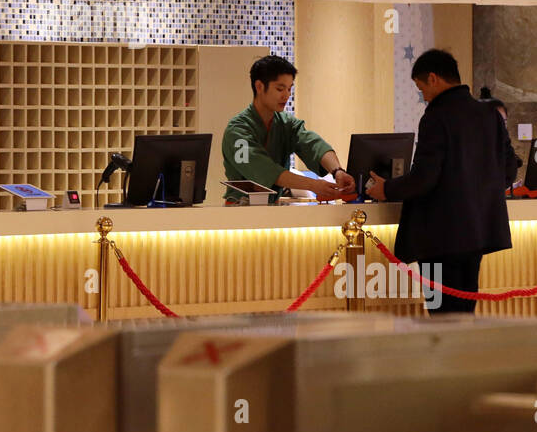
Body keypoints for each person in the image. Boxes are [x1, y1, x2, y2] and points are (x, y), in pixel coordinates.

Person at [365, 50, 517, 314]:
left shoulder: (436, 117)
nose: (422, 95)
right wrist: (476, 190)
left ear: (433, 79)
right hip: (478, 233)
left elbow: (425, 178)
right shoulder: (490, 115)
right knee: (465, 308)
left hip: (438, 238)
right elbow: (509, 170)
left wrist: (386, 189)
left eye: (421, 87)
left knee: (440, 314)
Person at [221, 55, 356, 203]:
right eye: (280, 88)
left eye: (289, 88)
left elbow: (312, 144)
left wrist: (337, 171)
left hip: (272, 208)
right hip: (239, 210)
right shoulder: (237, 130)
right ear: (259, 87)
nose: (287, 95)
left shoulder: (286, 123)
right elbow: (264, 170)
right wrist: (314, 185)